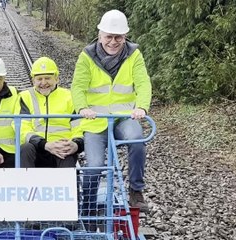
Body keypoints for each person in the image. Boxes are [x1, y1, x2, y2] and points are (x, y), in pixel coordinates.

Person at [71, 9, 152, 224]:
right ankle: (87, 208)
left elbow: (143, 83)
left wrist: (141, 107)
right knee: (95, 165)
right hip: (95, 120)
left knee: (137, 141)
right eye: (109, 36)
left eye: (118, 37)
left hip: (123, 117)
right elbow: (78, 86)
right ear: (100, 35)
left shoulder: (134, 54)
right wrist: (82, 108)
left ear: (125, 37)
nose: (113, 42)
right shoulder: (87, 56)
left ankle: (136, 190)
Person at [19, 57, 84, 168]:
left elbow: (79, 126)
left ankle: (66, 184)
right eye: (39, 79)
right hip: (37, 147)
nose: (44, 83)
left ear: (57, 79)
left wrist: (76, 143)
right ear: (33, 80)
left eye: (48, 78)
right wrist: (45, 144)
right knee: (25, 148)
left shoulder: (69, 96)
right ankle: (27, 183)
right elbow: (22, 127)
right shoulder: (25, 97)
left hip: (62, 147)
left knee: (68, 152)